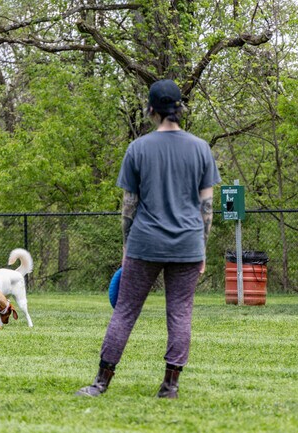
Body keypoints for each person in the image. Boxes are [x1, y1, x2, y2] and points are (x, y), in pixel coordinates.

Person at [76, 79, 221, 398]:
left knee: (125, 311)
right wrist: (202, 248)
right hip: (188, 244)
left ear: (151, 109)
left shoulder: (137, 148)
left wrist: (127, 248)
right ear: (179, 108)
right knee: (180, 312)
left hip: (145, 243)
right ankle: (169, 387)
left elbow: (129, 206)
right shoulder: (200, 148)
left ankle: (100, 383)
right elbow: (206, 206)